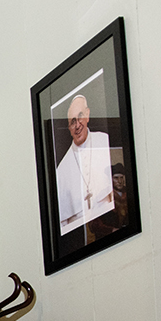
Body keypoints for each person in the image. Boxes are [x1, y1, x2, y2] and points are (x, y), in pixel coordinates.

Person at [55, 94, 114, 237]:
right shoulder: (61, 170)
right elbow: (64, 225)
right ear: (68, 127)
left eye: (80, 116)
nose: (77, 126)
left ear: (87, 115)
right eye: (72, 122)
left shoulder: (104, 141)